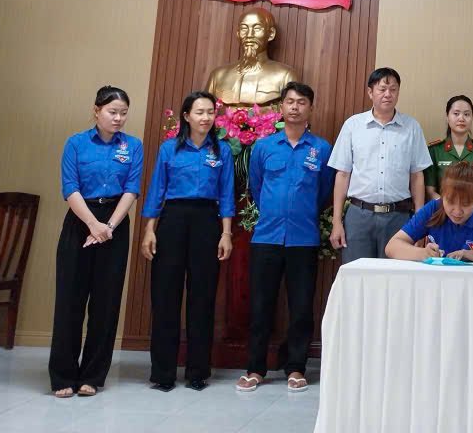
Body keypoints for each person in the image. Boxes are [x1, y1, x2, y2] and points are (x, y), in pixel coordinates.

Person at [237, 82, 335, 393]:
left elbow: (325, 192)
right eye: (290, 101)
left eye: (301, 102)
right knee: (261, 306)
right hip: (266, 237)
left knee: (302, 308)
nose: (295, 107)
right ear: (281, 107)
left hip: (303, 239)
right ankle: (255, 368)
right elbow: (256, 186)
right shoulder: (264, 147)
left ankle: (296, 367)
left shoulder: (322, 149)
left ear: (311, 108)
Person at [49, 86, 142, 398]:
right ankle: (63, 375)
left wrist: (108, 226)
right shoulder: (76, 143)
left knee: (106, 302)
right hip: (81, 220)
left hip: (115, 222)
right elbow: (70, 187)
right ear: (96, 110)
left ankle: (92, 375)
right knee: (70, 300)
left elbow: (131, 189)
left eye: (123, 113)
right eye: (112, 112)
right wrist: (92, 224)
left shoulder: (133, 146)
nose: (118, 118)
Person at [140, 90, 235, 391]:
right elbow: (157, 190)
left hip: (207, 221)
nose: (206, 118)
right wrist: (149, 230)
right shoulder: (169, 149)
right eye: (199, 112)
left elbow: (227, 194)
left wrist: (226, 233)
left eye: (210, 112)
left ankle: (197, 371)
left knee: (202, 297)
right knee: (165, 296)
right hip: (172, 220)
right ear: (186, 116)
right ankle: (163, 373)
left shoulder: (222, 150)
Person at [328, 68, 432, 262]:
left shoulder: (412, 127)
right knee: (357, 274)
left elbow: (417, 176)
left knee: (396, 276)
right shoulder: (353, 125)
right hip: (359, 216)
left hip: (399, 217)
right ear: (370, 92)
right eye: (382, 89)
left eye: (393, 89)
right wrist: (336, 221)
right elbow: (342, 175)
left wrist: (419, 222)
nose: (388, 94)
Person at [387, 162, 473, 260]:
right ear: (442, 196)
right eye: (450, 202)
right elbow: (392, 246)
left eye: (465, 204)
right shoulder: (433, 209)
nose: (457, 211)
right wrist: (423, 253)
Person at [206, 9, 299, 107]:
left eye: (257, 28)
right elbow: (205, 109)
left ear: (271, 34)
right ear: (238, 34)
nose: (249, 35)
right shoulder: (218, 75)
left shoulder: (285, 75)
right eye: (244, 28)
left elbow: (292, 110)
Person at [425, 95, 473, 202]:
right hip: (442, 210)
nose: (461, 118)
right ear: (447, 117)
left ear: (472, 117)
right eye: (456, 114)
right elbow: (430, 191)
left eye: (466, 114)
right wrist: (448, 206)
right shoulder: (434, 151)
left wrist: (470, 207)